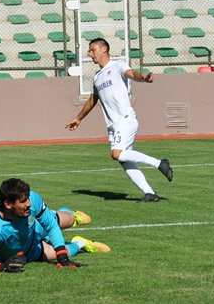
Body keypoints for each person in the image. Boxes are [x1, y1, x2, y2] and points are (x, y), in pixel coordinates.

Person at [64, 37, 173, 202]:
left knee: (117, 154)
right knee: (124, 159)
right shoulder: (97, 76)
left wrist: (143, 77)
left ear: (104, 50)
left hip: (125, 119)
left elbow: (131, 74)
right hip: (113, 125)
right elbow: (93, 99)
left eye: (93, 50)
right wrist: (78, 118)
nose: (90, 54)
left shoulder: (118, 65)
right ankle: (149, 193)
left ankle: (159, 163)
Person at [0, 178, 110, 273]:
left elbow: (51, 226)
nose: (29, 203)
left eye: (28, 198)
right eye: (23, 201)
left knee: (65, 220)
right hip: (30, 251)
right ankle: (81, 243)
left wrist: (61, 257)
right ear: (8, 204)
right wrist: (3, 266)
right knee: (71, 251)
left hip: (36, 226)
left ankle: (72, 215)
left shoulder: (32, 199)